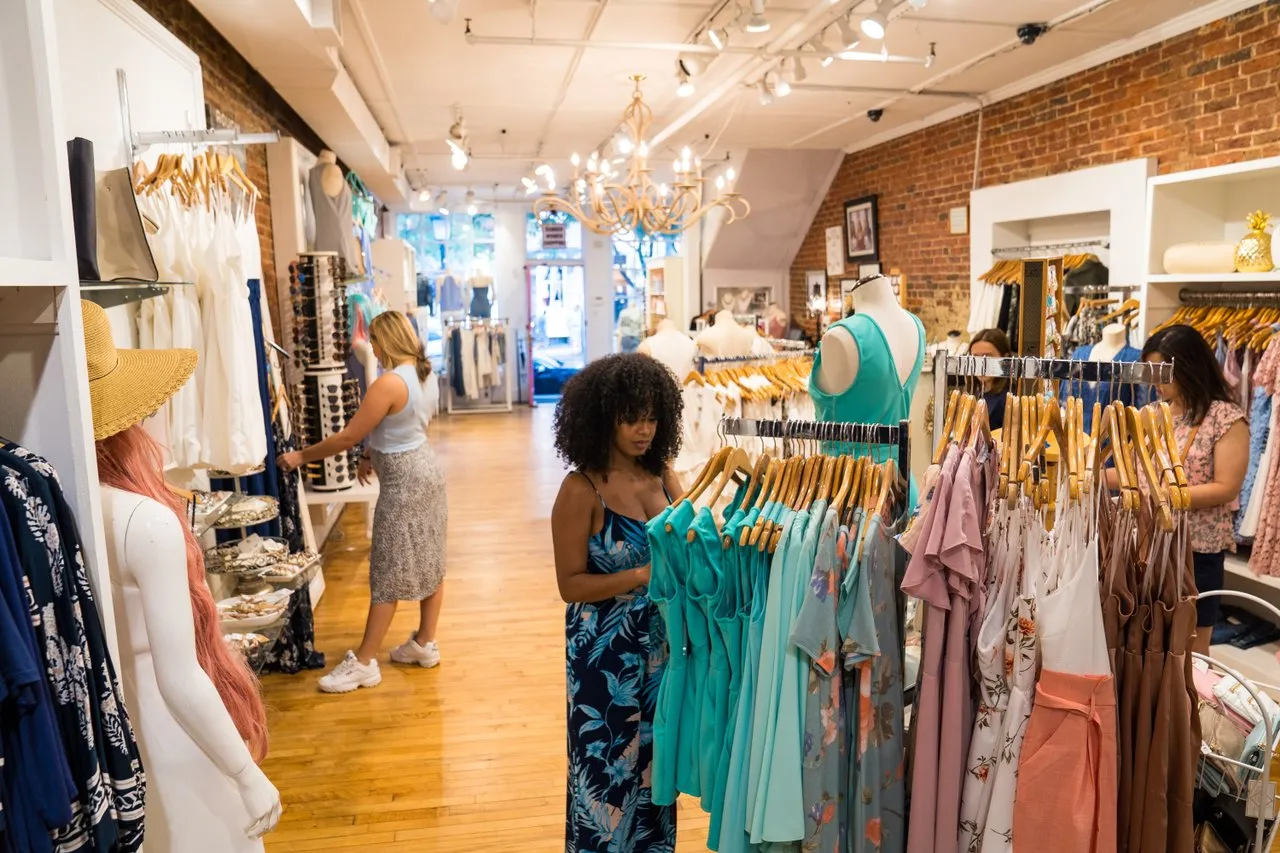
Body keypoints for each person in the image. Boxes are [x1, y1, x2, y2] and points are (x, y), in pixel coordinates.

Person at [550, 353, 684, 853]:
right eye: (632, 418)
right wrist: (641, 576)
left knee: (656, 774)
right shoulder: (580, 490)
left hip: (663, 653)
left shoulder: (664, 478)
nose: (644, 429)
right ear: (604, 417)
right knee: (604, 778)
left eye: (651, 416)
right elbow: (570, 585)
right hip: (603, 657)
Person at [277, 310, 447, 693]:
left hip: (404, 481)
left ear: (384, 341)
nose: (371, 347)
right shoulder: (424, 374)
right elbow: (402, 424)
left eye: (373, 341)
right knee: (431, 559)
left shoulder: (387, 383)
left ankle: (366, 662)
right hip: (426, 471)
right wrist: (372, 456)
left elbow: (347, 437)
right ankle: (424, 643)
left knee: (386, 569)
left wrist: (300, 457)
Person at [1141, 324, 1248, 656]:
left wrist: (1166, 496)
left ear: (1187, 366)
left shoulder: (1225, 417)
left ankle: (1189, 707)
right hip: (1149, 542)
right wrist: (1091, 472)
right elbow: (1138, 471)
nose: (1155, 382)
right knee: (1148, 642)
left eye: (1162, 372)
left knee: (1191, 651)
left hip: (1196, 549)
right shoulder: (1155, 415)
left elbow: (1226, 487)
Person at [969, 328, 1012, 430]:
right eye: (975, 357)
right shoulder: (974, 392)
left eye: (988, 357)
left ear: (1004, 358)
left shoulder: (1008, 399)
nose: (981, 364)